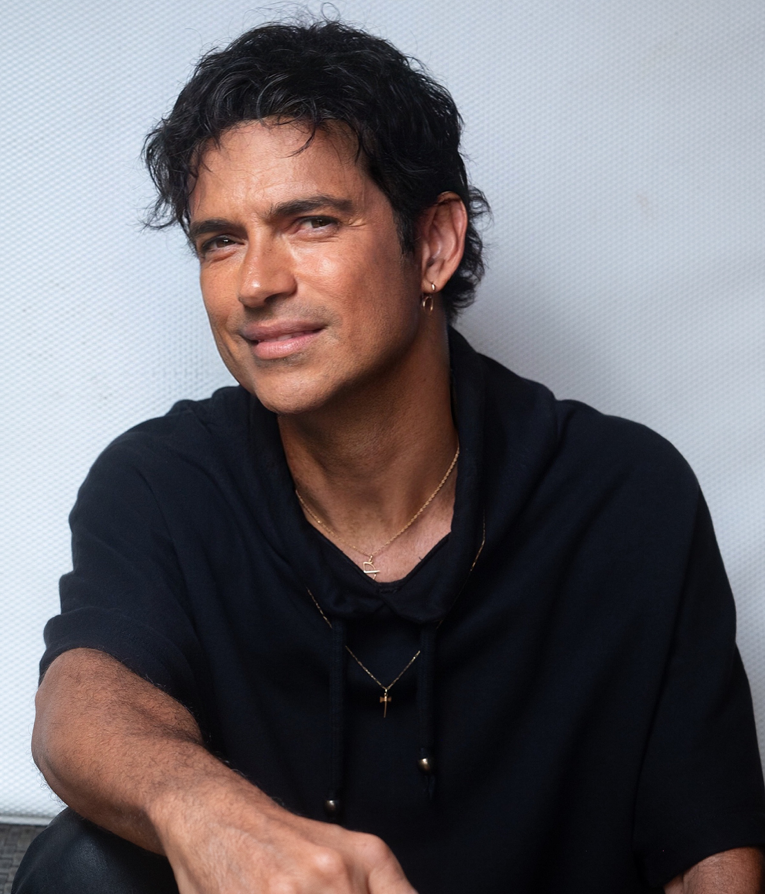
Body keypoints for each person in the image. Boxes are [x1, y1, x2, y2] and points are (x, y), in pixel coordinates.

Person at [14, 17, 765, 894]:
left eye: (310, 222)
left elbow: (710, 855)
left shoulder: (622, 495)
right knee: (81, 867)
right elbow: (82, 701)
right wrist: (207, 813)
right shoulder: (162, 483)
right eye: (220, 241)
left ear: (433, 245)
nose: (255, 284)